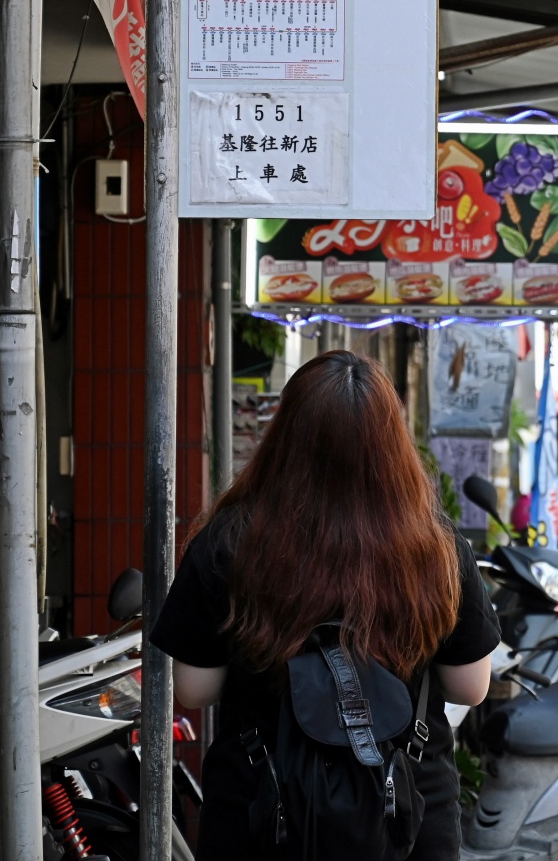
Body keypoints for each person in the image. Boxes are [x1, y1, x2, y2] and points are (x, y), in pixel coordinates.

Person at [151, 350, 500, 860]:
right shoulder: (437, 548)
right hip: (405, 816)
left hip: (262, 812)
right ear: (392, 443)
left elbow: (195, 689)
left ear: (285, 437)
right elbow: (470, 687)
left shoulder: (229, 542)